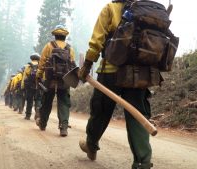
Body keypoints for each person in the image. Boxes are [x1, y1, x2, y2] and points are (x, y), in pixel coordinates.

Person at [77, 1, 167, 168]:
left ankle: (91, 145)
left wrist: (87, 64)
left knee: (100, 110)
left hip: (111, 71)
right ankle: (143, 161)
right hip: (141, 74)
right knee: (138, 115)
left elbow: (97, 40)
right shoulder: (149, 12)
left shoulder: (111, 8)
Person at [35, 25, 76, 137]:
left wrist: (38, 76)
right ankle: (63, 127)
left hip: (50, 80)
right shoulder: (70, 48)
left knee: (46, 102)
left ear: (55, 35)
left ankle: (43, 124)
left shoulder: (49, 46)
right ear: (64, 36)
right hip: (65, 80)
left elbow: (42, 63)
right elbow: (72, 65)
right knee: (64, 103)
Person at [21, 54, 42, 120]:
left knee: (29, 101)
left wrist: (23, 86)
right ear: (38, 58)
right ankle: (38, 112)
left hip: (30, 87)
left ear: (31, 59)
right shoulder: (40, 65)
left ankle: (28, 115)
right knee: (38, 100)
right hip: (38, 86)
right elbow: (43, 76)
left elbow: (24, 77)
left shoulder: (28, 66)